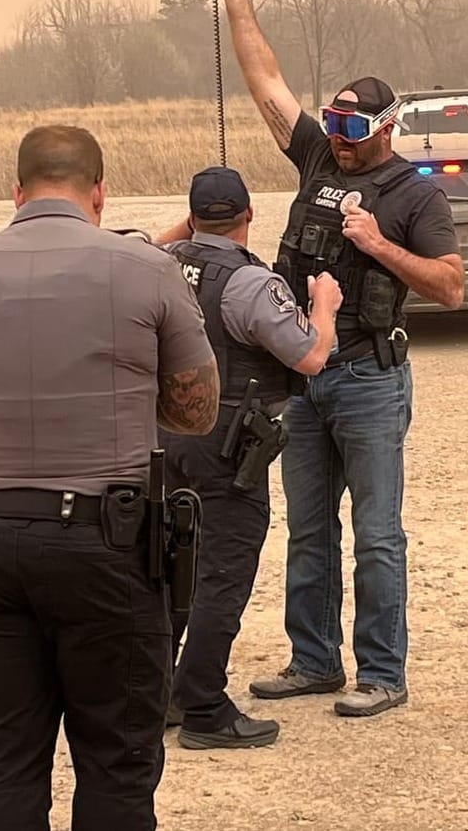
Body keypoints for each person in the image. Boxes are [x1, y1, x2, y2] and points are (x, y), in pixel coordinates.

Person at [0, 123, 219, 831]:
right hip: (109, 544)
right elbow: (198, 408)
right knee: (115, 766)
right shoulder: (148, 269)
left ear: (16, 192)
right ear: (98, 193)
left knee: (6, 764)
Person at [212, 0, 465, 718]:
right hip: (308, 375)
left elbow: (452, 287)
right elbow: (263, 82)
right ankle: (314, 661)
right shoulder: (318, 157)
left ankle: (382, 672)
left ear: (390, 127)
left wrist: (377, 245)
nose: (343, 138)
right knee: (308, 530)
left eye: (356, 129)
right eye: (336, 124)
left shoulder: (414, 195)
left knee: (379, 536)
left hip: (372, 380)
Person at [150, 165, 344, 749]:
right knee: (222, 575)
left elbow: (141, 243)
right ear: (250, 214)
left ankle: (160, 694)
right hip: (227, 443)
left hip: (165, 438)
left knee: (168, 573)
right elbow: (310, 356)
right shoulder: (250, 283)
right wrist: (325, 305)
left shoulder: (159, 264)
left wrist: (185, 230)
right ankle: (204, 703)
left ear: (191, 214)